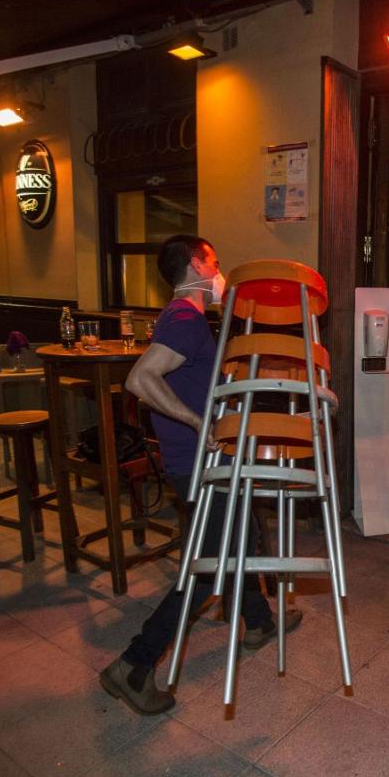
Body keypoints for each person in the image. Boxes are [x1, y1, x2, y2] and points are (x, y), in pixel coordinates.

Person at [100, 234, 301, 715]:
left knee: (240, 536)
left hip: (205, 458)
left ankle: (258, 622)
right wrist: (196, 420)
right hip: (201, 460)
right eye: (213, 262)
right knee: (206, 566)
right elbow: (140, 378)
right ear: (195, 265)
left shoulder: (183, 320)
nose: (219, 271)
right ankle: (134, 663)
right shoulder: (186, 319)